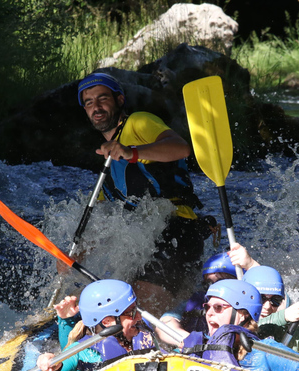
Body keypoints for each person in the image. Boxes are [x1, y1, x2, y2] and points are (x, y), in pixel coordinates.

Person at [77, 72, 217, 309]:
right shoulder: (108, 162)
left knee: (139, 305)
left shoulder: (138, 122)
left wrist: (131, 152)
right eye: (89, 102)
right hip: (151, 242)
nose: (96, 107)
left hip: (178, 231)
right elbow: (105, 220)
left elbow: (181, 148)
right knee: (124, 305)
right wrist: (79, 254)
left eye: (103, 98)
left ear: (119, 100)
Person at [181, 279, 299, 371]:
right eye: (207, 307)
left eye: (218, 308)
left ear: (242, 315)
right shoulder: (198, 346)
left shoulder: (264, 352)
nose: (209, 313)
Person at [37, 279, 154, 371]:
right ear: (107, 321)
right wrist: (51, 365)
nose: (139, 317)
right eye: (131, 313)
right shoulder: (80, 354)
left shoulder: (143, 332)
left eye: (136, 309)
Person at [158, 251, 238, 339]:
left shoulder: (247, 307)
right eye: (208, 283)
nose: (214, 289)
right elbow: (163, 324)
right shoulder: (198, 302)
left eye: (220, 282)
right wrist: (189, 340)